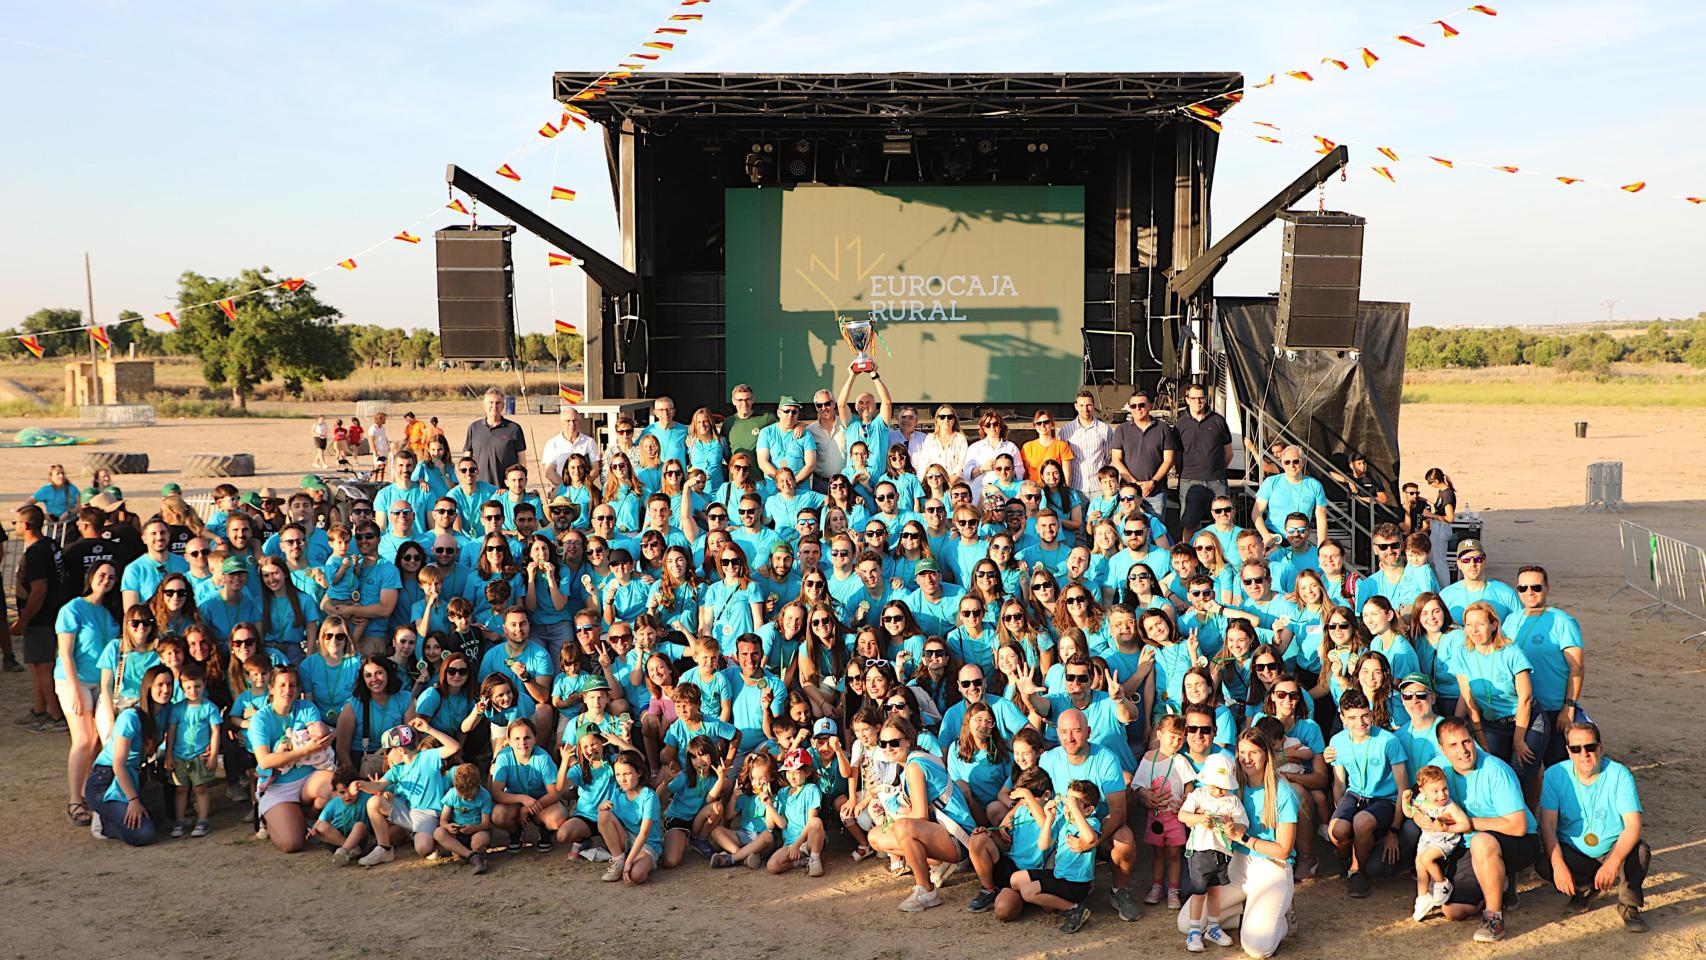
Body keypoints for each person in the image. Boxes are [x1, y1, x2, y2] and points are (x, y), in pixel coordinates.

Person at [1428, 715, 1539, 943]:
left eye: (1466, 741)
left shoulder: (1495, 770)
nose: (1463, 750)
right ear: (1442, 749)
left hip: (1519, 840)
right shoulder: (1438, 769)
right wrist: (1422, 817)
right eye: (1453, 745)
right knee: (1453, 911)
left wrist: (1469, 824)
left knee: (1482, 842)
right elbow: (1419, 799)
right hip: (1470, 842)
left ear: (1473, 739)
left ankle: (1493, 918)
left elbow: (1518, 826)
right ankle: (1500, 884)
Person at [1538, 721, 1649, 932]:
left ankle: (1628, 904)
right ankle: (1584, 889)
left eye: (1590, 747)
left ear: (1601, 748)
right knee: (1546, 863)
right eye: (1576, 749)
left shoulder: (1619, 774)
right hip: (1574, 850)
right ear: (1568, 752)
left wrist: (1613, 862)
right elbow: (1548, 824)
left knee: (1640, 851)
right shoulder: (1554, 775)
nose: (1584, 754)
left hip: (1612, 849)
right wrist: (1559, 865)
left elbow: (1633, 825)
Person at [86, 664, 175, 845]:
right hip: (107, 778)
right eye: (159, 685)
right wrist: (133, 800)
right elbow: (118, 764)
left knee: (158, 822)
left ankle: (119, 814)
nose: (165, 690)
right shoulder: (130, 718)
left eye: (169, 684)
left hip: (136, 774)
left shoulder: (168, 710)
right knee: (143, 834)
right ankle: (104, 821)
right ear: (148, 687)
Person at [1178, 754, 1247, 952]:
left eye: (1223, 786)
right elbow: (1182, 815)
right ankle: (1194, 930)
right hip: (1200, 851)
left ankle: (1213, 927)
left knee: (1216, 890)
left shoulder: (1232, 801)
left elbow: (1243, 824)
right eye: (1215, 785)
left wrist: (1231, 826)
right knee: (1199, 892)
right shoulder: (1198, 795)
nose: (1219, 790)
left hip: (1221, 853)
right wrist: (1200, 819)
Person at [12, 505, 67, 733]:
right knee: (35, 664)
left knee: (43, 666)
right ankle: (40, 709)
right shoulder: (50, 544)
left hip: (40, 617)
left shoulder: (35, 553)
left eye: (16, 522)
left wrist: (24, 619)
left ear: (26, 525)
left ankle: (55, 715)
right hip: (47, 614)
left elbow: (39, 589)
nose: (14, 526)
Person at [165, 662, 224, 838]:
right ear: (182, 687)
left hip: (200, 755)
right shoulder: (177, 709)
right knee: (181, 788)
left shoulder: (210, 707)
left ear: (204, 684)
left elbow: (216, 732)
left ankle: (203, 820)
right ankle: (180, 820)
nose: (193, 690)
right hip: (179, 755)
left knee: (200, 788)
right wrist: (168, 755)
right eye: (188, 687)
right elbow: (171, 732)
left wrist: (214, 754)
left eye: (197, 686)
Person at [1403, 763, 1468, 921]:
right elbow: (1410, 813)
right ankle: (1423, 896)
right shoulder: (1421, 800)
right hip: (1427, 838)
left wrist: (1447, 828)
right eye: (1435, 791)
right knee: (1419, 863)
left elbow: (1466, 825)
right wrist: (1405, 800)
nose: (1442, 795)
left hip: (1445, 840)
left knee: (1426, 858)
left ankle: (1442, 883)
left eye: (1444, 789)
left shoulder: (1450, 806)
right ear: (1422, 790)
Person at [1108, 390, 1178, 522]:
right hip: (1129, 493)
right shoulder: (1121, 430)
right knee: (1128, 528)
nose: (1137, 409)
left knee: (1156, 528)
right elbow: (1116, 460)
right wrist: (1135, 484)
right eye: (1133, 406)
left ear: (1150, 406)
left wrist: (1152, 482)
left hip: (1156, 492)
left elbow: (1169, 460)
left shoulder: (1163, 429)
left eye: (1141, 405)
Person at [1176, 382, 1233, 537]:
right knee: (1189, 524)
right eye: (1194, 398)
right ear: (1187, 399)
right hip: (1189, 481)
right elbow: (1177, 456)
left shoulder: (1218, 421)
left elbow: (1228, 453)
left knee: (1224, 523)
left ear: (1206, 399)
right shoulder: (1180, 425)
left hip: (1217, 481)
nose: (1198, 401)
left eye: (1201, 398)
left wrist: (1217, 470)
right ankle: (1189, 550)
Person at [1253, 447, 1328, 548]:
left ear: (1303, 462)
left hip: (1301, 538)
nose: (1291, 465)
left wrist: (1321, 547)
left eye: (1296, 461)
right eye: (1287, 462)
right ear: (1282, 463)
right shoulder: (1271, 482)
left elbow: (1321, 519)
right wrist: (1265, 534)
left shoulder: (1315, 485)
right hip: (1275, 539)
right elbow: (1256, 513)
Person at [463, 387, 527, 487]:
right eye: (491, 402)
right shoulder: (474, 428)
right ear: (484, 405)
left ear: (503, 406)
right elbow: (467, 460)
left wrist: (520, 484)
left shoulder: (514, 429)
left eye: (498, 403)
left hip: (506, 489)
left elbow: (522, 461)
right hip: (479, 487)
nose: (494, 406)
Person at [1058, 390, 1113, 498]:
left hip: (1099, 487)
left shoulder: (1105, 429)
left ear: (1093, 406)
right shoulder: (1066, 430)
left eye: (1088, 405)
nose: (1085, 409)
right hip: (1076, 487)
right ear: (1076, 406)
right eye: (1081, 405)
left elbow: (1108, 458)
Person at [721, 382, 775, 460]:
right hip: (736, 467)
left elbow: (784, 431)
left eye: (747, 399)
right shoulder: (728, 422)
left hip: (760, 468)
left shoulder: (766, 418)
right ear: (733, 401)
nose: (744, 403)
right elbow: (724, 449)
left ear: (753, 400)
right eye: (740, 400)